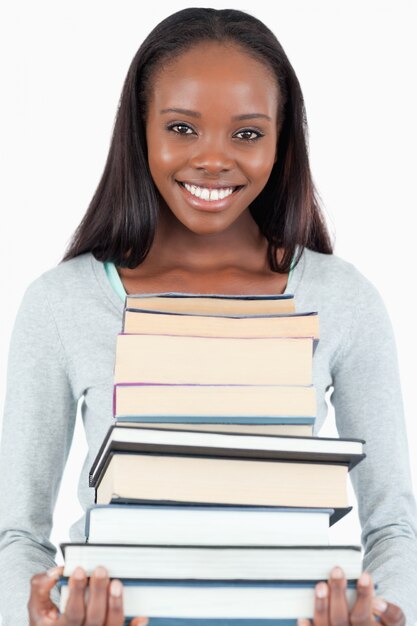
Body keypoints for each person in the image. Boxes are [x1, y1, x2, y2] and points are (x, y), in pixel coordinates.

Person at [0, 6, 416, 626]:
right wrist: (40, 617)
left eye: (247, 133)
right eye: (182, 128)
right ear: (140, 129)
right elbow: (18, 535)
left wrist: (388, 614)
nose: (214, 160)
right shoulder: (61, 303)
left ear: (281, 140)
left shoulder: (342, 298)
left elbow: (393, 525)